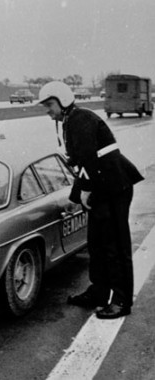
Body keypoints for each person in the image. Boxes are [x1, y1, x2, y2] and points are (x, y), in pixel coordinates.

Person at [38, 81, 144, 319]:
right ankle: (99, 292)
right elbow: (82, 165)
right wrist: (76, 197)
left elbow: (88, 160)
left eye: (50, 104)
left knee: (115, 247)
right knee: (96, 245)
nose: (47, 110)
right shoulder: (70, 121)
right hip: (101, 188)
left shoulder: (80, 119)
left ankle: (121, 300)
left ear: (63, 100)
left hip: (114, 188)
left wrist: (84, 191)